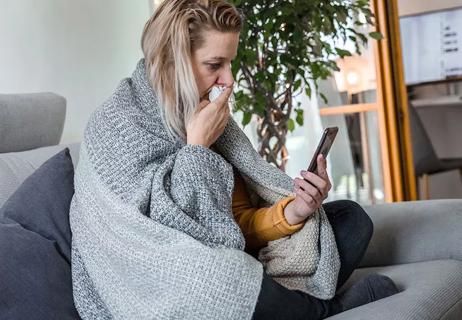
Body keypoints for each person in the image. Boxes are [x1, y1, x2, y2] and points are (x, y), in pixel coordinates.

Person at [146, 0, 399, 318]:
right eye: (215, 65)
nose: (229, 79)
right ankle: (324, 309)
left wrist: (295, 211)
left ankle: (287, 306)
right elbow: (182, 249)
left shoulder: (212, 119)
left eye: (230, 63)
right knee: (231, 282)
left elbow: (239, 225)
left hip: (245, 259)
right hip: (200, 277)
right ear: (175, 62)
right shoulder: (137, 128)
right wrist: (196, 148)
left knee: (351, 219)